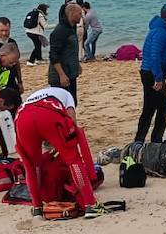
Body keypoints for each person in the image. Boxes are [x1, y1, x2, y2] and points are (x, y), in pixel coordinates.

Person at [14, 85, 101, 218]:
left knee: (31, 166)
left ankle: (37, 207)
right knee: (73, 160)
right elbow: (71, 124)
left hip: (22, 118)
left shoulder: (33, 97)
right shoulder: (67, 96)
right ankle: (90, 205)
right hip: (48, 115)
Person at [137, 4, 166, 141]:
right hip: (152, 74)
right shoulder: (161, 33)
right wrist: (159, 78)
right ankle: (154, 140)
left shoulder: (157, 29)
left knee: (149, 108)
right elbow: (155, 56)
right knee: (160, 110)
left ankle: (141, 139)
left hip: (149, 71)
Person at [49, 1, 83, 102]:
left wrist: (77, 65)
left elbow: (71, 50)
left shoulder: (71, 28)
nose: (81, 16)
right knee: (62, 104)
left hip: (71, 72)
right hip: (61, 75)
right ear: (72, 14)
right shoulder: (60, 31)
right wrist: (62, 75)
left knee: (72, 102)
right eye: (79, 14)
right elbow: (54, 55)